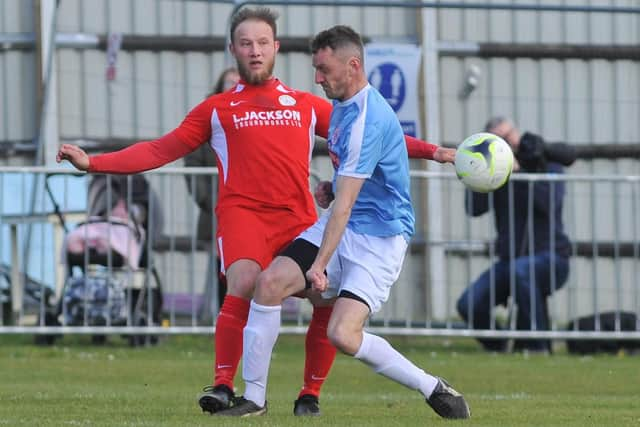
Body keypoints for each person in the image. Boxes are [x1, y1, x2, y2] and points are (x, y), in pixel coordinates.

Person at [56, 8, 450, 417]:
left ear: (276, 48)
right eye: (246, 43)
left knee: (323, 299)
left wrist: (433, 151)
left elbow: (378, 135)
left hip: (298, 215)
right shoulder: (217, 109)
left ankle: (310, 394)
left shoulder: (303, 104)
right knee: (245, 280)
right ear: (233, 50)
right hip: (244, 215)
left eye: (263, 43)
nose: (255, 51)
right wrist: (95, 162)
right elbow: (160, 149)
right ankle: (226, 386)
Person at [216, 25, 469, 419]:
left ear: (352, 66)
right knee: (268, 284)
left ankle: (431, 386)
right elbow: (362, 177)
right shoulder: (342, 108)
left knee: (343, 334)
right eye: (315, 69)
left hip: (380, 239)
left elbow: (347, 205)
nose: (317, 78)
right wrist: (333, 187)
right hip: (346, 223)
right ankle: (255, 399)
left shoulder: (366, 119)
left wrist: (318, 266)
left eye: (324, 69)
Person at [456, 116, 576, 353]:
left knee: (523, 270)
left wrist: (520, 174)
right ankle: (502, 345)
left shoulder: (545, 161)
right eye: (499, 141)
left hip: (551, 257)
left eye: (509, 136)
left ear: (517, 133)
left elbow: (548, 203)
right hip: (509, 261)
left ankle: (537, 347)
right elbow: (474, 209)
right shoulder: (496, 173)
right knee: (468, 304)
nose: (508, 144)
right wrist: (479, 174)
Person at [183, 67, 240, 317]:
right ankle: (223, 320)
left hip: (250, 208)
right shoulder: (207, 115)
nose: (232, 86)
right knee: (223, 268)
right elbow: (191, 159)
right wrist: (207, 199)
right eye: (228, 82)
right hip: (217, 209)